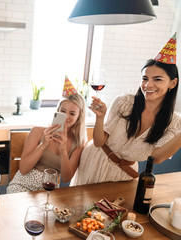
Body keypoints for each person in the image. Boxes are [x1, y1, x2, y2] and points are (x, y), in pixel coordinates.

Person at [71, 58, 180, 186]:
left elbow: (156, 158)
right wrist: (100, 118)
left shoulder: (174, 123)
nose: (148, 85)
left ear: (172, 83)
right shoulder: (124, 102)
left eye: (157, 79)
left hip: (124, 173)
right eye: (145, 78)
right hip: (94, 160)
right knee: (81, 205)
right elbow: (98, 142)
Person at [7, 93, 86, 193]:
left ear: (79, 116)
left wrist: (63, 151)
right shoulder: (37, 131)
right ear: (58, 111)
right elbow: (23, 169)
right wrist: (43, 145)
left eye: (72, 113)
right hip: (22, 185)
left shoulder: (78, 143)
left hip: (49, 189)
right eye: (63, 111)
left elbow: (66, 179)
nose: (66, 117)